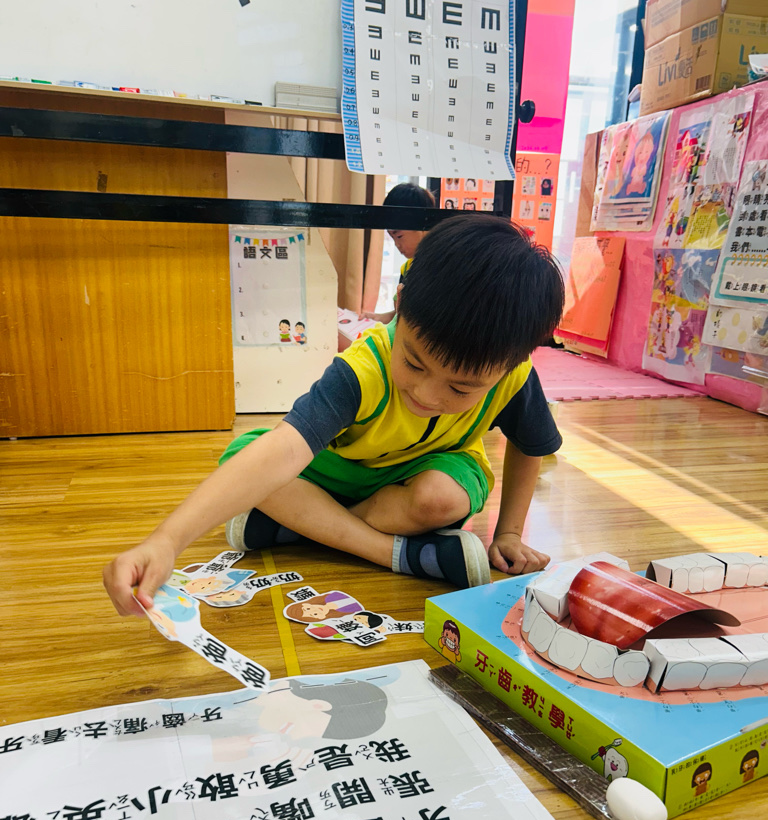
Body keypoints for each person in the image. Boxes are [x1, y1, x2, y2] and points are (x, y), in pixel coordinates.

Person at [103, 214, 564, 614]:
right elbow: (285, 449)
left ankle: (301, 527)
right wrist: (166, 540)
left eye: (461, 388)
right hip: (342, 473)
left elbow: (530, 446)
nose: (426, 394)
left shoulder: (516, 378)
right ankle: (395, 553)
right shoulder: (363, 369)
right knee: (250, 462)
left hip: (423, 475)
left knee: (442, 499)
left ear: (511, 363)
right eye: (413, 362)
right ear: (399, 305)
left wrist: (509, 532)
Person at [365, 181, 437, 324]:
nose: (397, 245)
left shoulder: (439, 267)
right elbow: (403, 316)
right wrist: (378, 318)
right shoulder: (408, 268)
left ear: (421, 224)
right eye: (392, 237)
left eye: (399, 236)